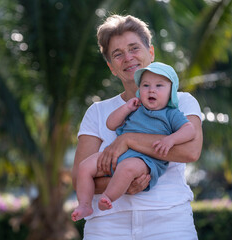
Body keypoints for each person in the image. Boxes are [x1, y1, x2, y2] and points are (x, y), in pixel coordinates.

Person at [72, 14, 203, 239]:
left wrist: (127, 139)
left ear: (150, 53)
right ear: (111, 67)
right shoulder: (98, 111)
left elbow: (190, 151)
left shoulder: (180, 102)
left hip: (168, 221)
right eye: (118, 54)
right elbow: (80, 176)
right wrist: (121, 184)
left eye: (134, 48)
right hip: (107, 224)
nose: (128, 58)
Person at [71, 62, 196, 222]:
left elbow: (189, 130)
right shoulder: (136, 108)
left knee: (127, 168)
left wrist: (171, 139)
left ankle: (108, 197)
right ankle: (84, 204)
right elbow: (111, 124)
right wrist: (126, 108)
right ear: (139, 90)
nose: (151, 90)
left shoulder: (171, 114)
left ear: (171, 92)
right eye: (145, 85)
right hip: (118, 153)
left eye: (159, 86)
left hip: (146, 160)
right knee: (85, 166)